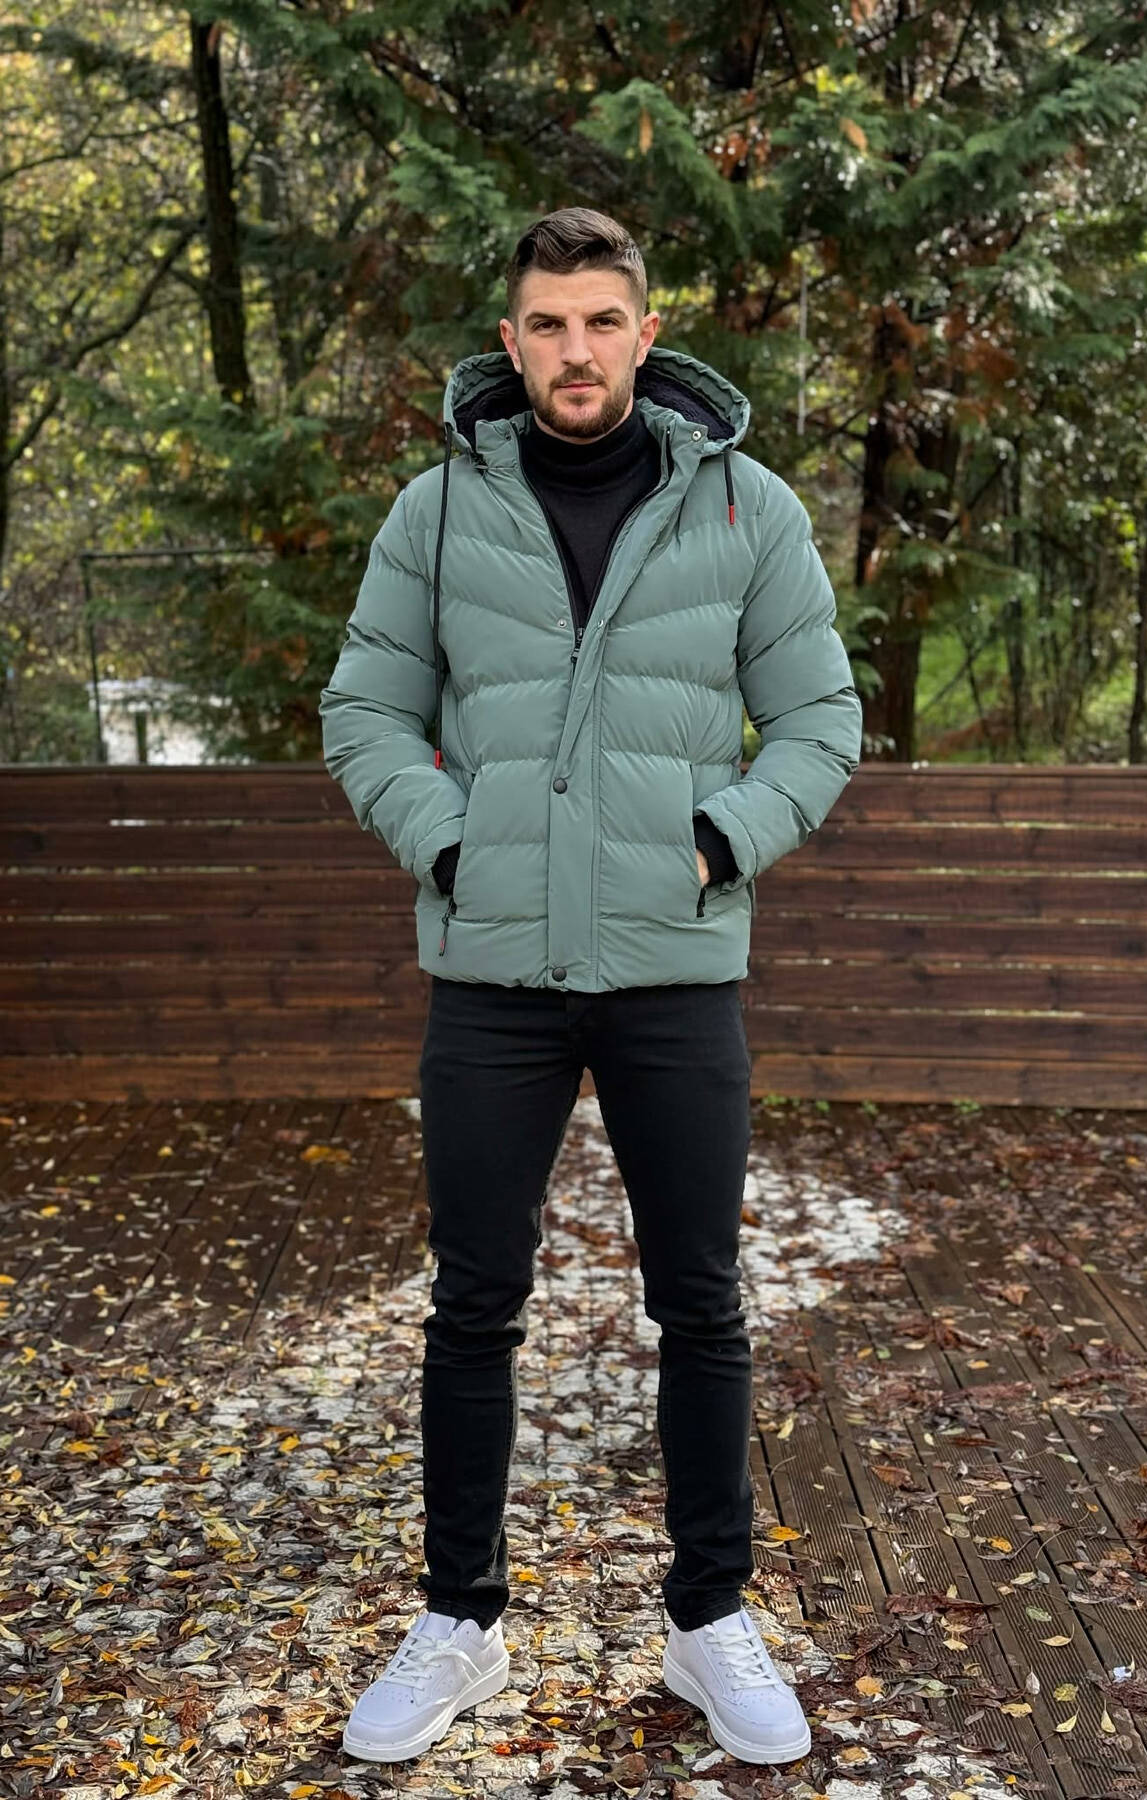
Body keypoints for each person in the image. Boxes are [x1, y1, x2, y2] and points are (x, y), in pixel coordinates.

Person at [320, 206, 861, 1768]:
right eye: (547, 324)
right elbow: (365, 710)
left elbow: (820, 719)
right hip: (492, 973)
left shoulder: (748, 509)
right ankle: (461, 1623)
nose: (575, 350)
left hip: (673, 970)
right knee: (471, 1304)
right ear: (511, 343)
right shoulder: (436, 512)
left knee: (701, 1302)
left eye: (600, 321)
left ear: (645, 331)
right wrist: (452, 847)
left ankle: (709, 1620)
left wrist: (719, 842)